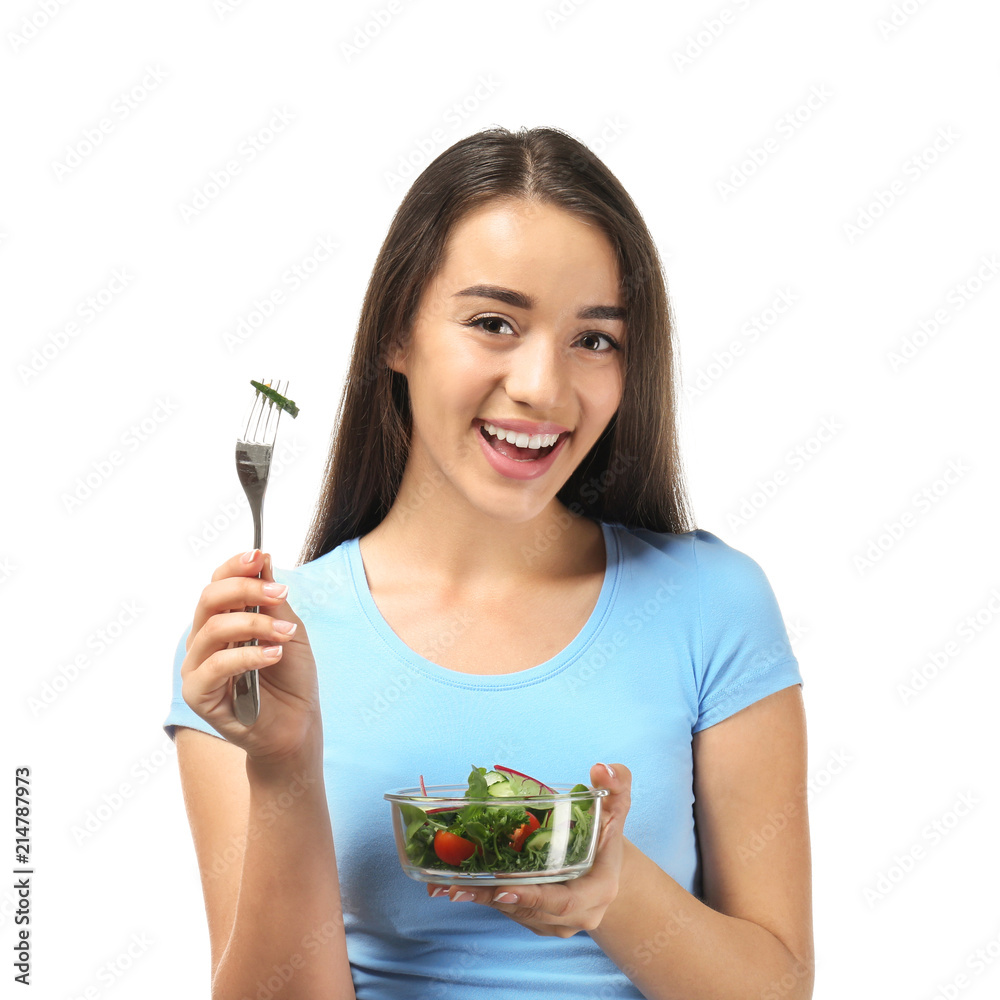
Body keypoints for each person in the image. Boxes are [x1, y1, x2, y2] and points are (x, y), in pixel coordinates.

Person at [163, 125, 814, 1000]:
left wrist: (610, 887)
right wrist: (282, 764)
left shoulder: (713, 604)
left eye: (595, 339)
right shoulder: (260, 650)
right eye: (494, 323)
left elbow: (779, 987)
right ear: (397, 334)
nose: (542, 387)